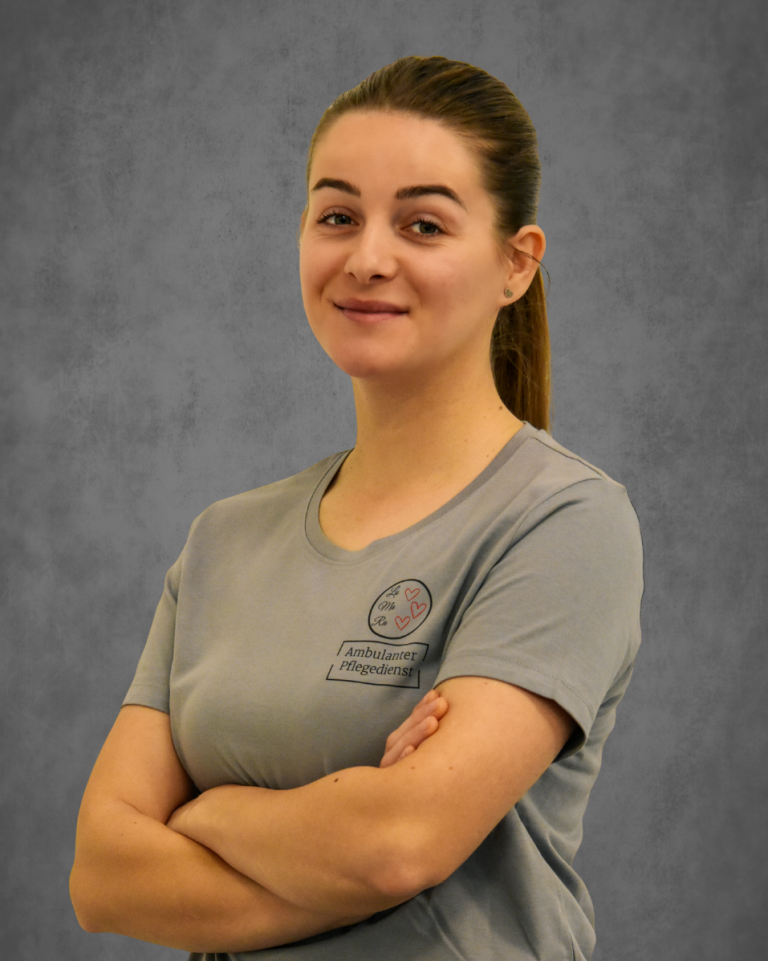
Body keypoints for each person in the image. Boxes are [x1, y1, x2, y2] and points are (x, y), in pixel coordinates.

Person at [69, 55, 643, 960]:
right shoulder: (224, 541)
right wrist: (340, 837)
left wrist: (208, 812)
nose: (368, 259)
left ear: (515, 264)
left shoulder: (563, 521)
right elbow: (102, 876)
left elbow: (398, 845)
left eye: (423, 225)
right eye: (337, 216)